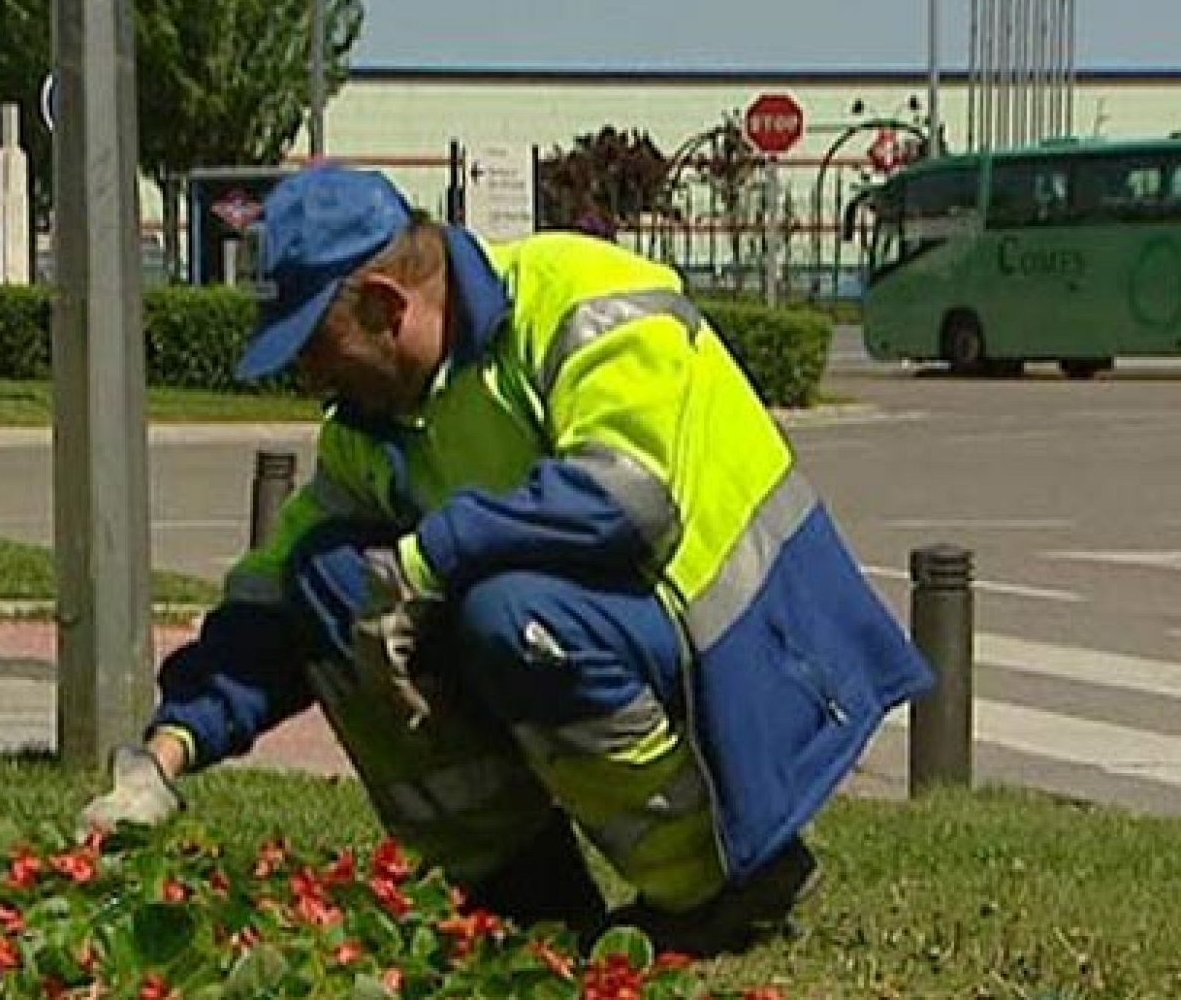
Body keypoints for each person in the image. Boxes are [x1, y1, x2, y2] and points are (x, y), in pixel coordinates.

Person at [81, 164, 933, 954]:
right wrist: (166, 750)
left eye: (314, 344)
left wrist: (427, 558)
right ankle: (530, 904)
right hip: (622, 635)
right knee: (327, 578)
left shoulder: (584, 298)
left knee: (511, 615)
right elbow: (275, 592)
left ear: (383, 305)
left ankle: (720, 885)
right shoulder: (375, 425)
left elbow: (627, 500)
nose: (308, 376)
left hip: (754, 662)